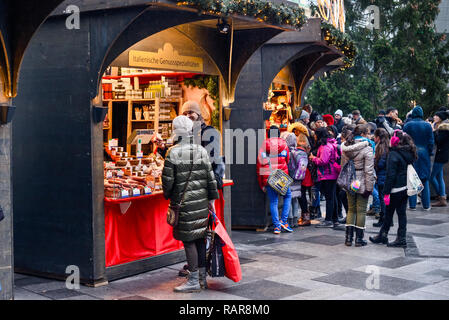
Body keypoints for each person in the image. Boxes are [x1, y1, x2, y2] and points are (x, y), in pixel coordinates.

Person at [162, 116, 219, 293]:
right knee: (201, 239)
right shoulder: (201, 150)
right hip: (201, 203)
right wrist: (211, 201)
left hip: (184, 204)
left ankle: (193, 279)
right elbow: (211, 179)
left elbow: (167, 183)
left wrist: (169, 195)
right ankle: (202, 279)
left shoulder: (172, 152)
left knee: (188, 241)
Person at [370, 130, 418, 248]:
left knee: (389, 213)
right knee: (401, 214)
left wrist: (386, 192)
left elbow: (390, 175)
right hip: (405, 187)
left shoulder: (393, 154)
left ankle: (384, 235)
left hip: (395, 189)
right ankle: (397, 237)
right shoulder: (409, 152)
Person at [341, 124, 375, 246]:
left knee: (351, 209)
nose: (370, 135)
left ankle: (348, 239)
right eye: (368, 133)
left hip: (350, 181)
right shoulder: (367, 148)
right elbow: (369, 171)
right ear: (363, 134)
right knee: (361, 211)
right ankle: (359, 239)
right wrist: (369, 188)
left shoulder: (346, 147)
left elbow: (343, 166)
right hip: (362, 181)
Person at [257, 126, 293, 234]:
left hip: (269, 177)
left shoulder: (263, 146)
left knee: (273, 201)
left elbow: (260, 165)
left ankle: (277, 226)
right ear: (278, 134)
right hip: (281, 176)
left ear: (268, 134)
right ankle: (284, 221)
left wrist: (261, 184)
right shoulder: (284, 145)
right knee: (288, 196)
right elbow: (287, 160)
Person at [403, 106, 434, 211]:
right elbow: (431, 142)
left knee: (412, 179)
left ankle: (412, 205)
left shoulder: (407, 125)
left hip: (411, 153)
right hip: (424, 153)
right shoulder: (428, 126)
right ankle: (426, 205)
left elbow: (404, 141)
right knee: (424, 180)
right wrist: (429, 153)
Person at [310, 127, 340, 228]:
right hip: (331, 174)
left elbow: (323, 161)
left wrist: (313, 158)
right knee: (332, 197)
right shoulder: (330, 143)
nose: (314, 136)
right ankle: (334, 219)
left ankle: (328, 220)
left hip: (328, 175)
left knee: (329, 198)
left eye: (315, 134)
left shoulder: (325, 146)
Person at [284, 132, 308, 228]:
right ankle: (295, 219)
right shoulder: (299, 152)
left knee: (288, 198)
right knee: (295, 199)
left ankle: (289, 220)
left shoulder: (287, 152)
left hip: (289, 177)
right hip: (298, 178)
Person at [430, 110, 449, 207]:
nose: (434, 117)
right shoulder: (441, 127)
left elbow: (439, 141)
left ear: (440, 118)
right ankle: (442, 197)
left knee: (431, 176)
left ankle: (441, 197)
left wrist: (433, 131)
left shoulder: (444, 128)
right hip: (442, 155)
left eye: (436, 116)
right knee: (439, 177)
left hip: (441, 155)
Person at [372, 128, 390, 227]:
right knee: (386, 198)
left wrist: (374, 162)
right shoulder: (388, 145)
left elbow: (381, 163)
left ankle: (383, 220)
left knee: (382, 198)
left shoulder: (381, 147)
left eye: (374, 136)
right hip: (386, 176)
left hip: (382, 176)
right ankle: (387, 219)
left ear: (378, 137)